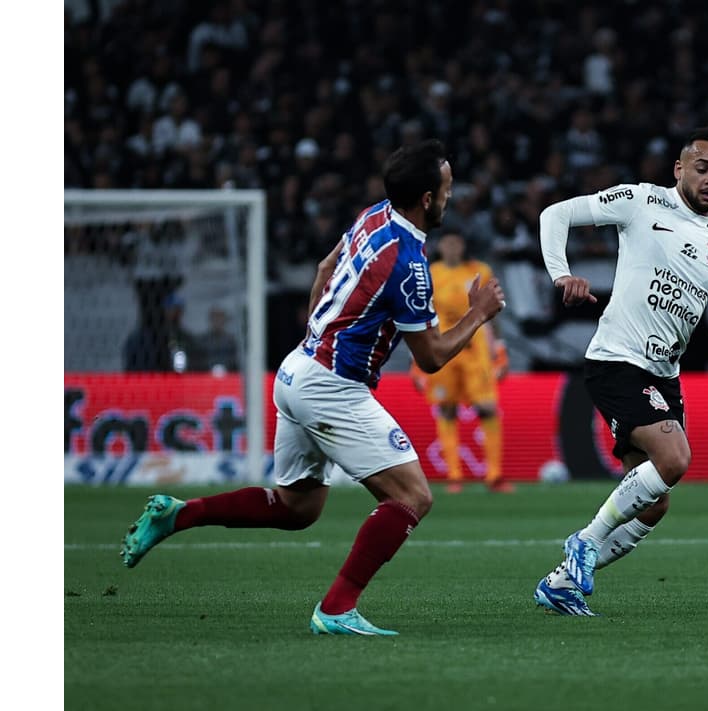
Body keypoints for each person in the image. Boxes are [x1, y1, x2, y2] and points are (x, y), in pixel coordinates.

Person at [120, 140, 506, 635]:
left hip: (298, 367)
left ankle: (177, 515)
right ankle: (337, 608)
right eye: (447, 188)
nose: (452, 197)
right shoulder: (408, 264)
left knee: (296, 508)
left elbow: (325, 271)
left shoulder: (374, 216)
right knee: (412, 496)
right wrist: (478, 315)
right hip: (332, 387)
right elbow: (430, 357)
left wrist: (318, 335)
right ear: (428, 199)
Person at [533, 127, 708, 616]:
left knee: (654, 502)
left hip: (663, 374)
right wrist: (561, 274)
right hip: (617, 358)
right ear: (679, 169)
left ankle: (559, 584)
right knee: (675, 458)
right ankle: (585, 541)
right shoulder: (641, 201)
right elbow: (557, 214)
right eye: (701, 168)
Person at [409, 230, 511, 494]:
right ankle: (454, 476)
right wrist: (416, 356)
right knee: (446, 408)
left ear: (463, 244)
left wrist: (499, 348)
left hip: (475, 347)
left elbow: (494, 310)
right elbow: (418, 312)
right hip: (441, 344)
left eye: (457, 241)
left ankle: (494, 476)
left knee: (487, 407)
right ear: (440, 245)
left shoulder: (479, 270)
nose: (452, 246)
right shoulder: (430, 272)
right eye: (447, 242)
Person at [122, 291, 207, 372]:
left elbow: (197, 362)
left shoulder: (185, 337)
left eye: (177, 310)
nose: (173, 313)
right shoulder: (141, 338)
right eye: (169, 309)